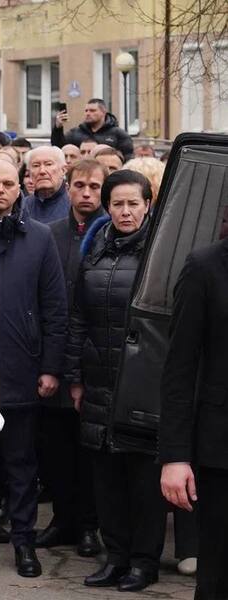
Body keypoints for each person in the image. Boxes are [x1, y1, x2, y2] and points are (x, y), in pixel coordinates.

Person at [66, 169, 165, 592]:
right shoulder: (94, 250)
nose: (125, 211)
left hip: (144, 383)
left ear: (147, 206)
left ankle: (144, 563)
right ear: (108, 207)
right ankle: (116, 557)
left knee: (143, 480)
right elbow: (77, 318)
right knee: (106, 479)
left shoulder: (162, 253)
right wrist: (74, 376)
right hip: (99, 380)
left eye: (133, 203)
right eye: (118, 204)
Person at [0, 159, 67, 578]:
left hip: (20, 368)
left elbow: (55, 308)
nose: (0, 190)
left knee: (21, 464)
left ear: (20, 187)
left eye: (8, 183)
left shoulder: (40, 238)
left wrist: (50, 368)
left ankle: (24, 542)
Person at [36, 159, 107, 557]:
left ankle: (88, 524)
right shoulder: (51, 233)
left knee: (88, 452)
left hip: (94, 355)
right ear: (68, 186)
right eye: (79, 185)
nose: (86, 193)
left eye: (94, 187)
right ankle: (62, 519)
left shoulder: (109, 233)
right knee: (55, 449)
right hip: (55, 353)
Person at [159, 235, 228, 600]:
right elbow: (179, 370)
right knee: (217, 578)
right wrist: (174, 456)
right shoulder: (204, 267)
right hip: (220, 456)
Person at [52, 98, 134, 160]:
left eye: (92, 111)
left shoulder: (118, 134)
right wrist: (58, 128)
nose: (88, 113)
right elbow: (58, 148)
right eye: (86, 111)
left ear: (104, 112)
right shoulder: (76, 133)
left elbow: (127, 158)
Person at [22, 146, 69, 224]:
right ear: (29, 173)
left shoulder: (74, 206)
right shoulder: (22, 207)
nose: (42, 171)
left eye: (48, 164)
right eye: (36, 165)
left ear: (63, 170)